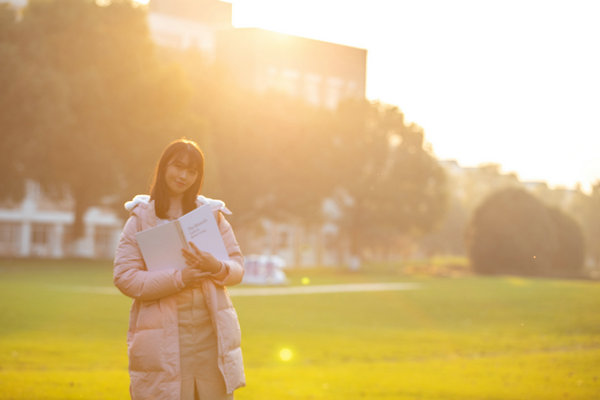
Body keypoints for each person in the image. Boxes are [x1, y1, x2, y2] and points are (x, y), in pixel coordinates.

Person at [113, 138, 245, 400]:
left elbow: (238, 266)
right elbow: (125, 278)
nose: (184, 175)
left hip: (211, 337)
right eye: (178, 166)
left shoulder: (211, 215)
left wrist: (216, 266)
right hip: (164, 341)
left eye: (192, 171)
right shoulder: (141, 218)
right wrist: (180, 278)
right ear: (164, 167)